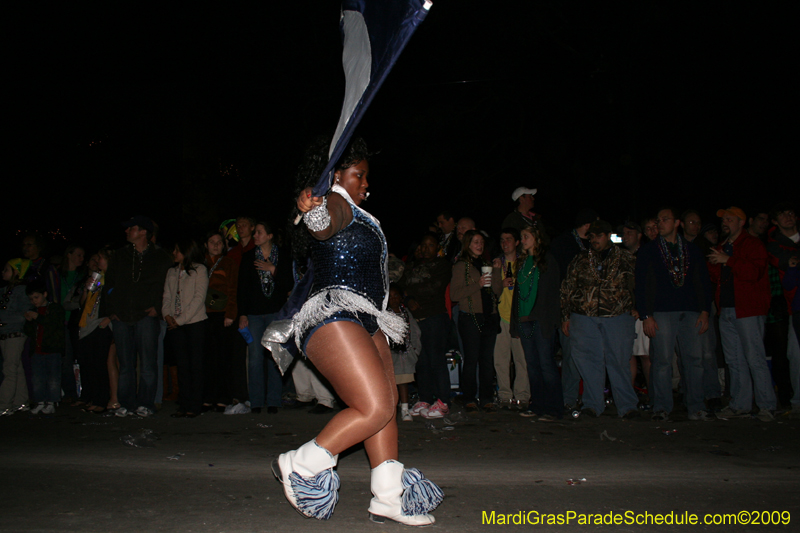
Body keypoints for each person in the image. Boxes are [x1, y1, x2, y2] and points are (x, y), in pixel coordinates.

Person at [272, 138, 442, 525]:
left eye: (367, 176)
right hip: (333, 313)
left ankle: (388, 496)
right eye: (359, 175)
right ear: (335, 176)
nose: (366, 183)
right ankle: (302, 463)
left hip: (367, 318)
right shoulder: (336, 202)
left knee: (385, 412)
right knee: (375, 406)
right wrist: (312, 210)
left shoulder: (360, 212)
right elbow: (324, 223)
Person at [635, 208, 713, 421]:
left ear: (677, 222)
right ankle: (661, 407)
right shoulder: (649, 251)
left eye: (665, 219)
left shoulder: (692, 250)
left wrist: (705, 311)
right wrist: (646, 315)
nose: (660, 223)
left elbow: (703, 282)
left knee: (694, 361)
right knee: (661, 361)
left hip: (691, 312)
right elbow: (640, 285)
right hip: (661, 313)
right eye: (658, 220)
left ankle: (696, 406)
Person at [560, 220, 639, 418]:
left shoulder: (625, 258)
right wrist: (565, 316)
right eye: (591, 236)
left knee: (619, 361)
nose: (595, 239)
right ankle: (592, 405)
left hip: (617, 316)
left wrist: (639, 308)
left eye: (599, 235)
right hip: (584, 316)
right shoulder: (580, 259)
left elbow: (638, 283)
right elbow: (567, 288)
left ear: (608, 235)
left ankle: (627, 406)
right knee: (588, 361)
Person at [708, 207, 775, 421]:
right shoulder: (722, 246)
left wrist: (728, 260)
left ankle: (766, 406)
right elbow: (718, 276)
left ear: (741, 222)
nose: (725, 223)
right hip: (726, 309)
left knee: (754, 357)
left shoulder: (752, 244)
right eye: (723, 220)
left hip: (748, 310)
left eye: (730, 219)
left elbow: (754, 272)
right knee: (734, 360)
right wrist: (713, 263)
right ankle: (740, 405)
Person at [101, 215, 173, 418]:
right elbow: (109, 285)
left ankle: (146, 404)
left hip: (146, 316)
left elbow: (167, 285)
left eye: (131, 228)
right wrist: (112, 310)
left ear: (143, 231)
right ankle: (126, 403)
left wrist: (157, 308)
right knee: (125, 364)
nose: (126, 231)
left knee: (148, 364)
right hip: (122, 316)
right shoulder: (119, 255)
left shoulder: (160, 256)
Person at [509, 224, 563, 421]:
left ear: (537, 238)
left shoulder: (547, 261)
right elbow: (518, 294)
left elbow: (553, 295)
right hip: (524, 321)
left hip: (540, 321)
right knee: (531, 364)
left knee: (546, 363)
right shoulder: (522, 263)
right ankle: (538, 405)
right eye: (522, 237)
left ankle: (555, 408)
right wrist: (515, 322)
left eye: (526, 236)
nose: (522, 241)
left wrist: (552, 321)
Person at [238, 221, 292, 413]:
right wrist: (242, 313)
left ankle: (274, 401)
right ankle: (256, 402)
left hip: (276, 313)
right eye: (255, 232)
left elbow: (288, 283)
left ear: (269, 236)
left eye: (259, 232)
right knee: (254, 358)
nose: (255, 235)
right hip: (253, 314)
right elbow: (242, 288)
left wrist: (273, 269)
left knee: (274, 357)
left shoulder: (283, 256)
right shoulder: (248, 258)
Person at [399, 232, 453, 419]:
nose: (426, 248)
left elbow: (434, 287)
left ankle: (444, 401)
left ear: (437, 248)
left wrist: (412, 294)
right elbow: (401, 286)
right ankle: (425, 398)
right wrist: (408, 297)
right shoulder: (412, 266)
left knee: (436, 359)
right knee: (420, 361)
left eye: (431, 245)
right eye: (424, 245)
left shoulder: (442, 265)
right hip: (415, 319)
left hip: (434, 317)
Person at [450, 229, 502, 412]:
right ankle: (469, 398)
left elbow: (497, 291)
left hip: (489, 316)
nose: (480, 245)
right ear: (468, 245)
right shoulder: (461, 266)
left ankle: (486, 397)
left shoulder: (486, 263)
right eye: (475, 242)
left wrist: (496, 272)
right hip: (471, 316)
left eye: (481, 242)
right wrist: (477, 285)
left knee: (487, 359)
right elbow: (454, 294)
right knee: (471, 359)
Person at [163, 239, 209, 418]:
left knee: (195, 365)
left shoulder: (200, 270)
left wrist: (180, 320)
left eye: (177, 250)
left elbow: (198, 299)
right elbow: (166, 296)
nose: (174, 254)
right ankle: (183, 403)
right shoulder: (172, 272)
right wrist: (167, 315)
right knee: (181, 365)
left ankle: (195, 405)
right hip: (175, 325)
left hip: (195, 324)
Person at [202, 231, 244, 412]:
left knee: (224, 358)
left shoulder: (228, 263)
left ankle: (223, 397)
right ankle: (207, 396)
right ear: (206, 244)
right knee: (206, 359)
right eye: (212, 242)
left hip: (222, 315)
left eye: (219, 242)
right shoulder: (199, 264)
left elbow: (234, 289)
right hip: (201, 315)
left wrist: (230, 314)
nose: (216, 245)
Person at [493, 228, 529, 410]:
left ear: (516, 242)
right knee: (501, 359)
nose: (504, 243)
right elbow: (491, 291)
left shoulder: (525, 263)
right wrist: (499, 281)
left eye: (508, 239)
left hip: (519, 318)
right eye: (502, 240)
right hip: (501, 318)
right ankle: (505, 396)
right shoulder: (496, 264)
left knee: (522, 359)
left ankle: (522, 396)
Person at [76, 249, 115, 413]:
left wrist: (109, 319)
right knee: (90, 364)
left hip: (102, 324)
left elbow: (120, 300)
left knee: (100, 363)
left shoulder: (114, 277)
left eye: (99, 258)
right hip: (88, 324)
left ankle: (102, 400)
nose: (97, 261)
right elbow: (82, 303)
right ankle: (93, 397)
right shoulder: (97, 278)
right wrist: (86, 289)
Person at [24, 281, 65, 415]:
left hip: (52, 350)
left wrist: (38, 317)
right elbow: (28, 331)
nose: (34, 301)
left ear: (45, 294)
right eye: (31, 299)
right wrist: (29, 321)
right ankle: (40, 402)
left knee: (53, 377)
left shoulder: (55, 308)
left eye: (36, 297)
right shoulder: (33, 311)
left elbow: (53, 325)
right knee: (37, 378)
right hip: (37, 350)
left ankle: (52, 402)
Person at [0, 259, 32, 416]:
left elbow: (24, 315)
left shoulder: (21, 290)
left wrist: (3, 318)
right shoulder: (4, 290)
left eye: (6, 269)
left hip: (15, 334)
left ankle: (4, 404)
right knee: (16, 368)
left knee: (9, 369)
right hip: (4, 334)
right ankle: (21, 402)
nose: (3, 272)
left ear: (16, 272)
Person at [387, 285, 422, 421]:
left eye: (396, 296)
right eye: (390, 297)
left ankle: (405, 409)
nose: (393, 299)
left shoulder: (406, 313)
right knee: (390, 383)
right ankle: (391, 410)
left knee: (404, 382)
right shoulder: (385, 314)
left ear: (401, 297)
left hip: (406, 354)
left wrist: (415, 350)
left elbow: (415, 331)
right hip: (390, 354)